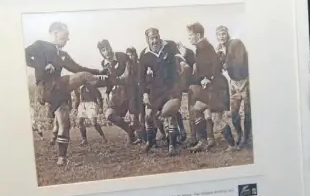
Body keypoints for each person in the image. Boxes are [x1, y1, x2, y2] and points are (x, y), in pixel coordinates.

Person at [25, 21, 105, 166]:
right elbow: (21, 55)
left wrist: (99, 71)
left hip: (58, 90)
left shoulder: (62, 54)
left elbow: (78, 68)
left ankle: (62, 158)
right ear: (55, 33)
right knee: (83, 77)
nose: (68, 39)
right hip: (45, 87)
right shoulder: (40, 45)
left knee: (64, 122)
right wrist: (42, 66)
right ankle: (115, 81)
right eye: (65, 35)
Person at [186, 22, 237, 152]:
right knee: (197, 108)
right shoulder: (200, 47)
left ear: (198, 35)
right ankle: (203, 141)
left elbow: (216, 65)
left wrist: (209, 77)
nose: (189, 37)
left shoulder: (205, 47)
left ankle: (232, 145)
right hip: (211, 86)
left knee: (217, 119)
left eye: (190, 35)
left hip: (217, 87)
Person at [138, 27, 184, 156]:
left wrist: (182, 62)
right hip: (155, 90)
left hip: (171, 88)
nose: (155, 40)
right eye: (151, 38)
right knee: (148, 116)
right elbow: (141, 78)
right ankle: (151, 143)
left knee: (171, 115)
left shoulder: (169, 47)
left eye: (156, 37)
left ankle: (173, 146)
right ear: (147, 39)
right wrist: (145, 93)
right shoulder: (145, 55)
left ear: (159, 36)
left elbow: (183, 57)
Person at [98, 39, 141, 145]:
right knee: (109, 114)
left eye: (107, 48)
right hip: (118, 95)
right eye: (103, 50)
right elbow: (109, 80)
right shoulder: (104, 63)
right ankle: (130, 132)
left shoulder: (122, 56)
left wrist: (115, 79)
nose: (106, 52)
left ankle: (146, 136)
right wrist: (107, 92)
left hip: (131, 92)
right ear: (101, 53)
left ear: (110, 47)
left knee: (136, 121)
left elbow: (127, 78)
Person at [216, 25, 252, 148]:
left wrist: (227, 64)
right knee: (234, 112)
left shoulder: (236, 43)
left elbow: (240, 61)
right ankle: (240, 135)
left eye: (223, 33)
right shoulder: (221, 48)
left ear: (227, 34)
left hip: (245, 80)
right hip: (233, 82)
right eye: (219, 34)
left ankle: (246, 138)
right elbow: (220, 67)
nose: (221, 36)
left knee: (247, 112)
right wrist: (219, 57)